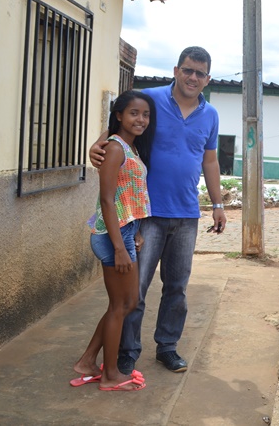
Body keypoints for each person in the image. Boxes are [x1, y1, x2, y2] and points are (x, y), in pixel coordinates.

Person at [89, 46, 227, 375]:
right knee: (136, 289)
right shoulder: (150, 101)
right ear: (176, 70)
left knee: (177, 286)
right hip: (145, 215)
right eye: (188, 70)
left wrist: (218, 203)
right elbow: (119, 125)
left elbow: (209, 160)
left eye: (200, 73)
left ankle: (167, 346)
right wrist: (98, 144)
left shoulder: (210, 115)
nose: (193, 77)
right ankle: (128, 350)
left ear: (207, 79)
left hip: (186, 214)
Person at [72, 90, 155, 391]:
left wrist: (137, 233)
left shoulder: (130, 149)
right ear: (118, 115)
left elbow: (127, 196)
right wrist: (121, 247)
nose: (141, 119)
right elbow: (107, 200)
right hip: (112, 236)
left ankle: (87, 361)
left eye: (145, 114)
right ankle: (110, 376)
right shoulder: (116, 148)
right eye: (133, 113)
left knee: (125, 303)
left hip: (125, 232)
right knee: (123, 304)